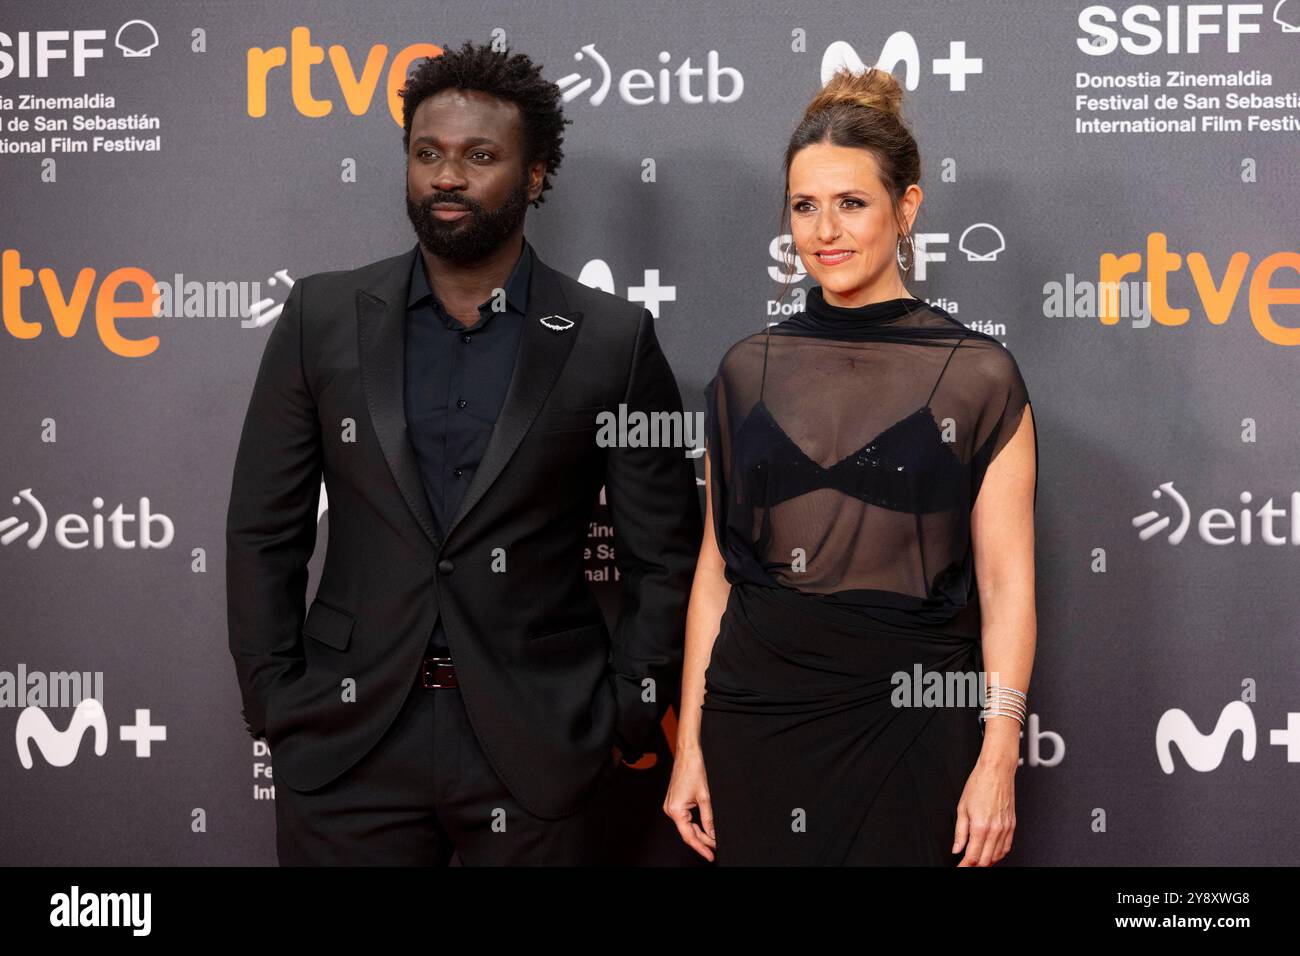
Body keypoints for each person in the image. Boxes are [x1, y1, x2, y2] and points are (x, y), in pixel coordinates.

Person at [226, 40, 701, 865]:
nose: (447, 176)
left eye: (480, 156)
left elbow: (663, 555)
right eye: (427, 154)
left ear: (535, 175)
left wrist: (626, 710)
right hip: (349, 743)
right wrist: (272, 698)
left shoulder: (611, 341)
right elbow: (265, 529)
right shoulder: (321, 317)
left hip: (537, 746)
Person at [665, 66, 1038, 866]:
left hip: (909, 717)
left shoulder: (979, 376)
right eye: (805, 206)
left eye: (851, 203)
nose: (824, 231)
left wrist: (1000, 755)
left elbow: (1007, 585)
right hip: (755, 712)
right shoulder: (744, 370)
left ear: (906, 208)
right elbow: (713, 574)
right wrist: (690, 743)